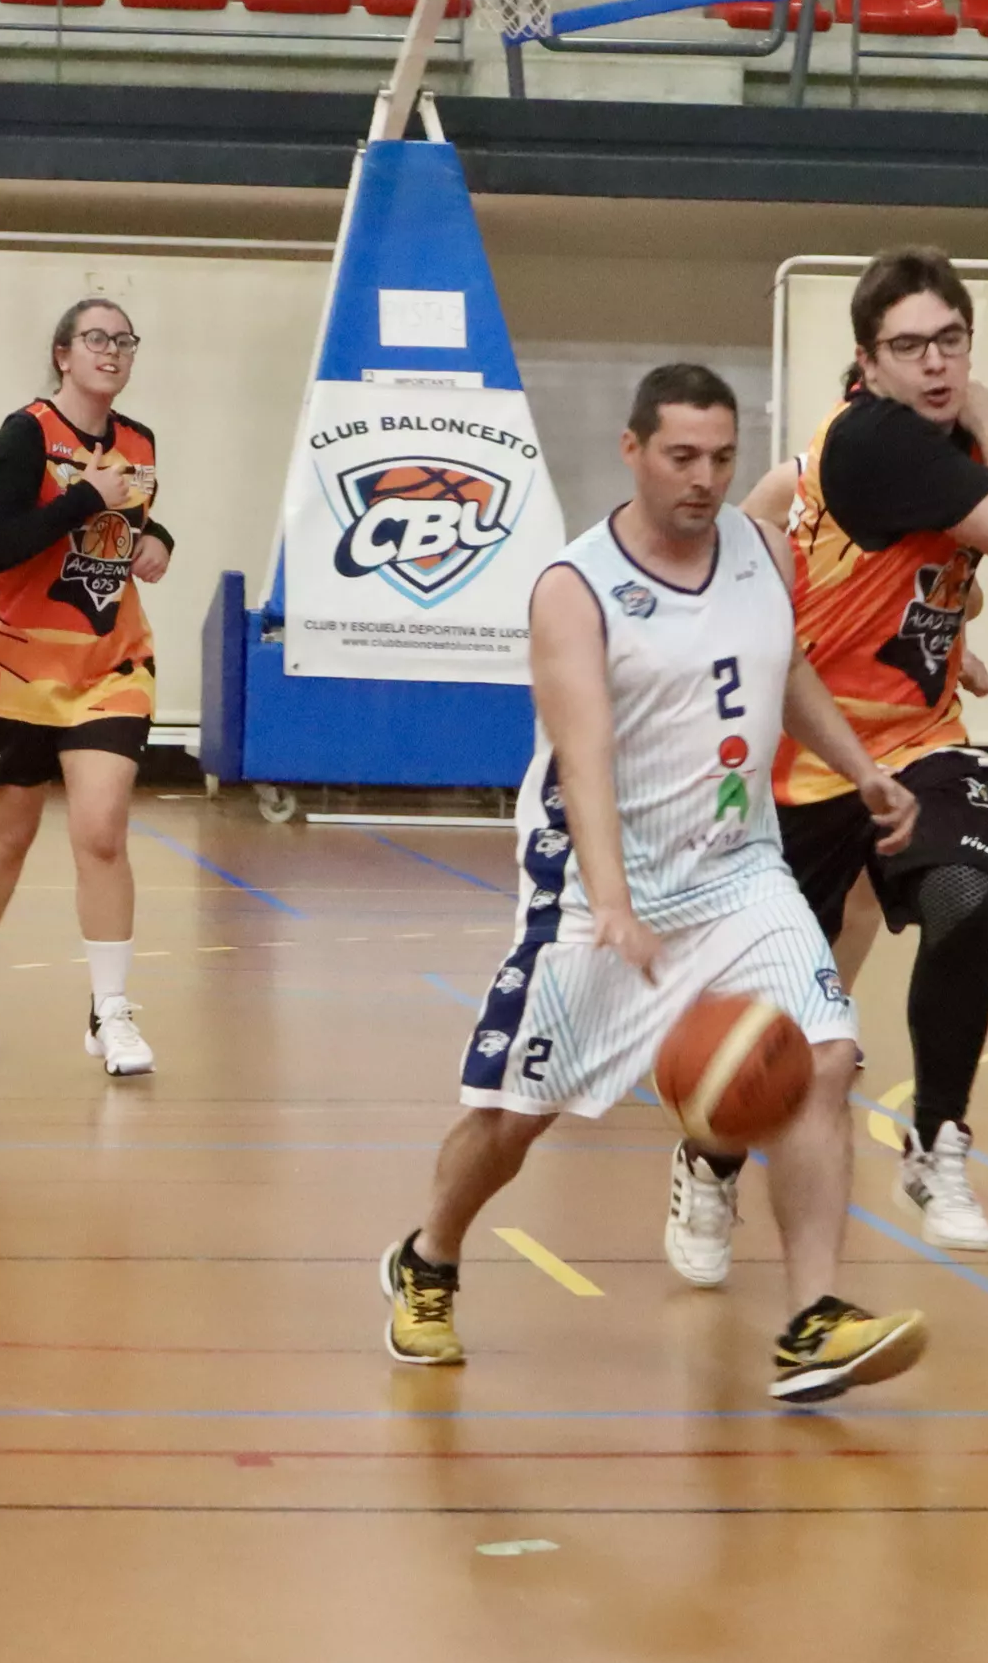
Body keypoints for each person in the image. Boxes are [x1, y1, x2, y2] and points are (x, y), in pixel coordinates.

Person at [379, 363, 933, 1407]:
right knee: (514, 1118)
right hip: (600, 894)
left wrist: (862, 768)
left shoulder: (765, 552)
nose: (704, 478)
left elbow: (789, 670)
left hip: (739, 873)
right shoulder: (573, 587)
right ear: (632, 450)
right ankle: (429, 1257)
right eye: (682, 456)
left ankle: (813, 1317)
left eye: (723, 457)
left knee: (827, 1056)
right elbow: (581, 756)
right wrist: (615, 903)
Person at [718, 247, 988, 1277]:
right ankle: (709, 1154)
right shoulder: (897, 442)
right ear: (869, 363)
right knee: (788, 1007)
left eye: (952, 341)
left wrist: (942, 638)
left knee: (964, 887)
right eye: (911, 346)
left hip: (919, 741)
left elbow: (778, 504)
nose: (939, 363)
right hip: (812, 755)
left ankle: (937, 1138)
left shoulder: (860, 451)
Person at [0, 293, 178, 1078]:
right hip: (16, 667)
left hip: (110, 662)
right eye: (96, 338)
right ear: (63, 354)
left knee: (102, 831)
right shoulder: (27, 434)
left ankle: (111, 1012)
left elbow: (126, 528)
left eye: (124, 340)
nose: (112, 350)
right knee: (6, 838)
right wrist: (81, 497)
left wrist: (157, 541)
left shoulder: (139, 441)